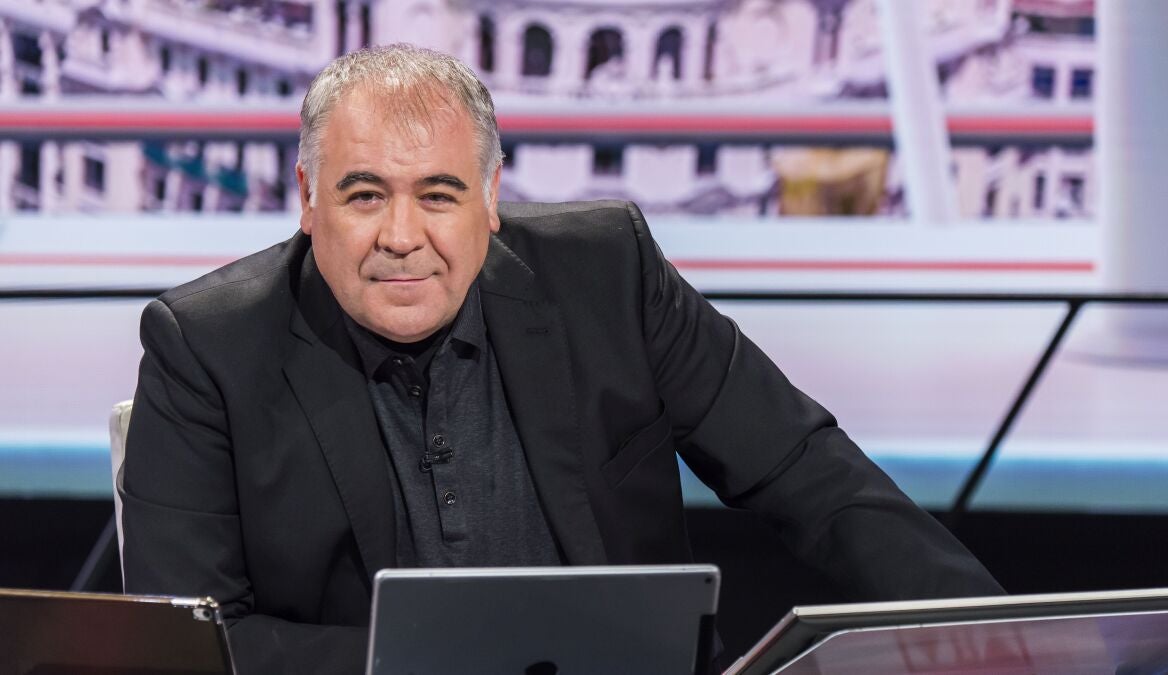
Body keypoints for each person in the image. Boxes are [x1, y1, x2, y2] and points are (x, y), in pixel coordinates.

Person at [120, 44, 1003, 674]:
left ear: (491, 199)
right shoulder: (207, 346)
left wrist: (997, 637)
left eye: (439, 194)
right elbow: (189, 643)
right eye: (364, 195)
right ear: (308, 200)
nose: (402, 235)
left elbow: (806, 472)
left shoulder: (608, 273)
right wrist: (456, 658)